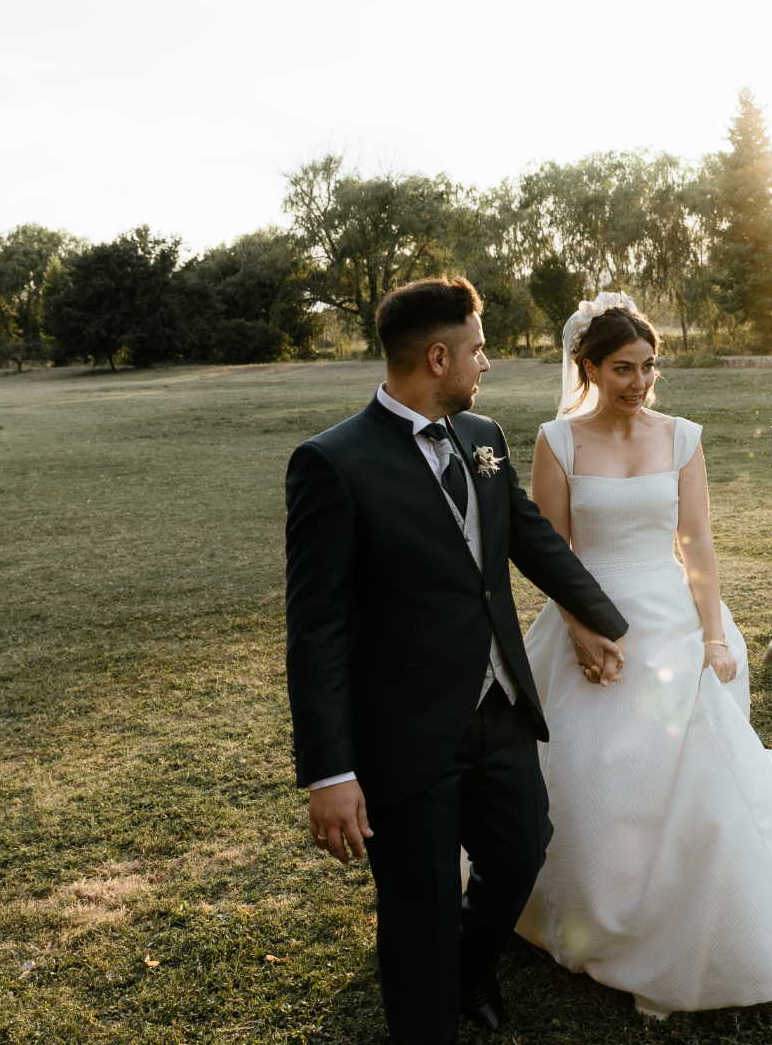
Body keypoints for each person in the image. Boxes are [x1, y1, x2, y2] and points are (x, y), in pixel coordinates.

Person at [284, 277, 628, 1044]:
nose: (487, 363)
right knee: (422, 906)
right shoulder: (333, 464)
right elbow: (314, 631)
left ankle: (472, 968)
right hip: (405, 733)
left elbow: (530, 537)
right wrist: (330, 772)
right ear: (438, 357)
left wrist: (607, 620)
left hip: (498, 707)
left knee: (520, 852)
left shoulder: (483, 437)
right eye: (478, 349)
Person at [514, 294, 772, 1018]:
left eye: (648, 366)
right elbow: (552, 551)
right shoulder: (557, 442)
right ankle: (593, 918)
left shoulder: (681, 437)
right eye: (623, 368)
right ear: (589, 368)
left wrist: (713, 635)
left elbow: (695, 544)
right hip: (588, 618)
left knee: (692, 777)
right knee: (591, 773)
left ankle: (691, 926)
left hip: (669, 621)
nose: (639, 381)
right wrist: (578, 629)